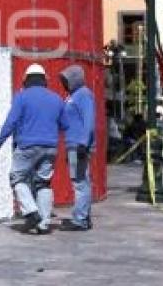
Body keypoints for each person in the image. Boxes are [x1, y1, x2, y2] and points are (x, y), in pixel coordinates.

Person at [0, 63, 67, 234]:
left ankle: (31, 212)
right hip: (50, 148)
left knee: (17, 178)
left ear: (27, 80)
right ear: (43, 80)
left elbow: (11, 122)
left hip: (27, 147)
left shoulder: (22, 97)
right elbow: (65, 124)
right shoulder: (56, 99)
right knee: (43, 183)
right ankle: (44, 223)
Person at [59, 65, 96, 231]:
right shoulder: (73, 95)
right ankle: (84, 217)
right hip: (73, 145)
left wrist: (83, 143)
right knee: (81, 182)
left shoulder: (83, 95)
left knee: (80, 183)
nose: (64, 83)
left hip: (78, 145)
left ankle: (80, 219)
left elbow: (89, 120)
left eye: (66, 79)